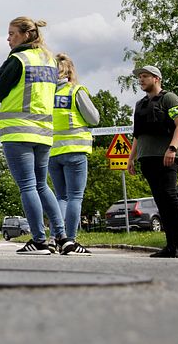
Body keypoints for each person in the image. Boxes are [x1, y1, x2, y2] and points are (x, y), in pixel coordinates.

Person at [0, 16, 67, 255]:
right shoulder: (50, 61)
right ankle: (62, 237)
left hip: (19, 131)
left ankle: (39, 240)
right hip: (44, 133)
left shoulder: (18, 59)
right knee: (42, 185)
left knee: (28, 186)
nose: (8, 39)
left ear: (26, 35)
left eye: (11, 34)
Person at [127, 65, 178, 258]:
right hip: (147, 158)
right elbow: (138, 134)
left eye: (145, 77)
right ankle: (170, 246)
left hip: (167, 156)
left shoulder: (169, 98)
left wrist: (172, 148)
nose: (141, 80)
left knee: (170, 197)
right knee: (160, 201)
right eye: (140, 78)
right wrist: (131, 158)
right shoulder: (140, 104)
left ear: (156, 78)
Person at [47, 54, 99, 255]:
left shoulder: (46, 95)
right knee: (75, 197)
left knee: (60, 197)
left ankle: (54, 238)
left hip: (52, 152)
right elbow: (94, 118)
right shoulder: (75, 91)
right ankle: (69, 240)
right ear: (70, 71)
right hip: (75, 151)